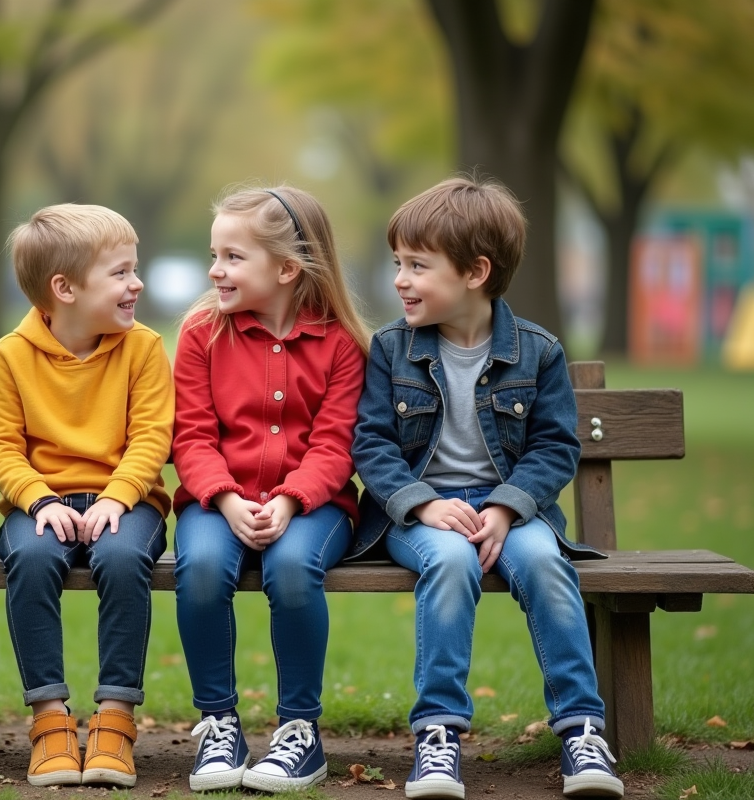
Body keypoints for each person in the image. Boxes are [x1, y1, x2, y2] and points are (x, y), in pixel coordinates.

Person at [352, 175, 625, 800]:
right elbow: (371, 444)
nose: (400, 279)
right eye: (399, 263)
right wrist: (422, 505)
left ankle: (582, 729)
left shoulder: (538, 352)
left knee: (547, 564)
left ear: (475, 272)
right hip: (420, 514)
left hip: (512, 511)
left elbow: (556, 447)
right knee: (449, 562)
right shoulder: (392, 349)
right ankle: (438, 734)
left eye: (418, 266)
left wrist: (504, 509)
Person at [173, 185, 371, 793]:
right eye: (214, 254)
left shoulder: (339, 345)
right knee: (202, 564)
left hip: (316, 507)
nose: (215, 270)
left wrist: (289, 500)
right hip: (217, 500)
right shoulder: (202, 334)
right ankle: (218, 721)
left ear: (286, 268)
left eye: (233, 257)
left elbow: (335, 447)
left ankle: (299, 732)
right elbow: (192, 438)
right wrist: (228, 500)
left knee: (291, 567)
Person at [0, 204, 173, 788]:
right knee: (32, 559)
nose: (136, 283)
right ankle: (51, 720)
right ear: (64, 288)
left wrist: (117, 497)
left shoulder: (143, 348)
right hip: (42, 503)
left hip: (130, 500)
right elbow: (0, 445)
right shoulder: (10, 355)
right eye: (120, 273)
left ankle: (115, 718)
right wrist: (39, 500)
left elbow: (151, 436)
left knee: (120, 556)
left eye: (133, 269)